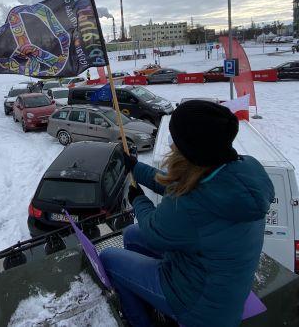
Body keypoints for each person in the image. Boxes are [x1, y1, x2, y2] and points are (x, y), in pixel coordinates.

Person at [100, 101, 274, 327]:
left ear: (192, 149)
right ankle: (149, 299)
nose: (172, 147)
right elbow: (183, 186)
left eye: (176, 141)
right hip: (215, 282)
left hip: (197, 305)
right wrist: (136, 168)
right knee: (132, 234)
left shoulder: (192, 205)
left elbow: (153, 230)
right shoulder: (241, 168)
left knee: (109, 258)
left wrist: (138, 199)